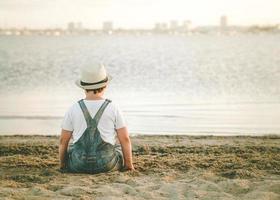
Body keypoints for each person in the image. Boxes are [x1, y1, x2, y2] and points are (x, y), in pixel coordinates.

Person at [59, 63, 134, 173]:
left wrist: (63, 165)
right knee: (118, 145)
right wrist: (128, 165)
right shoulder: (113, 108)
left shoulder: (73, 108)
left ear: (84, 87)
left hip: (79, 165)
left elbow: (63, 141)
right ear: (105, 86)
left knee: (72, 146)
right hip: (107, 164)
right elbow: (125, 139)